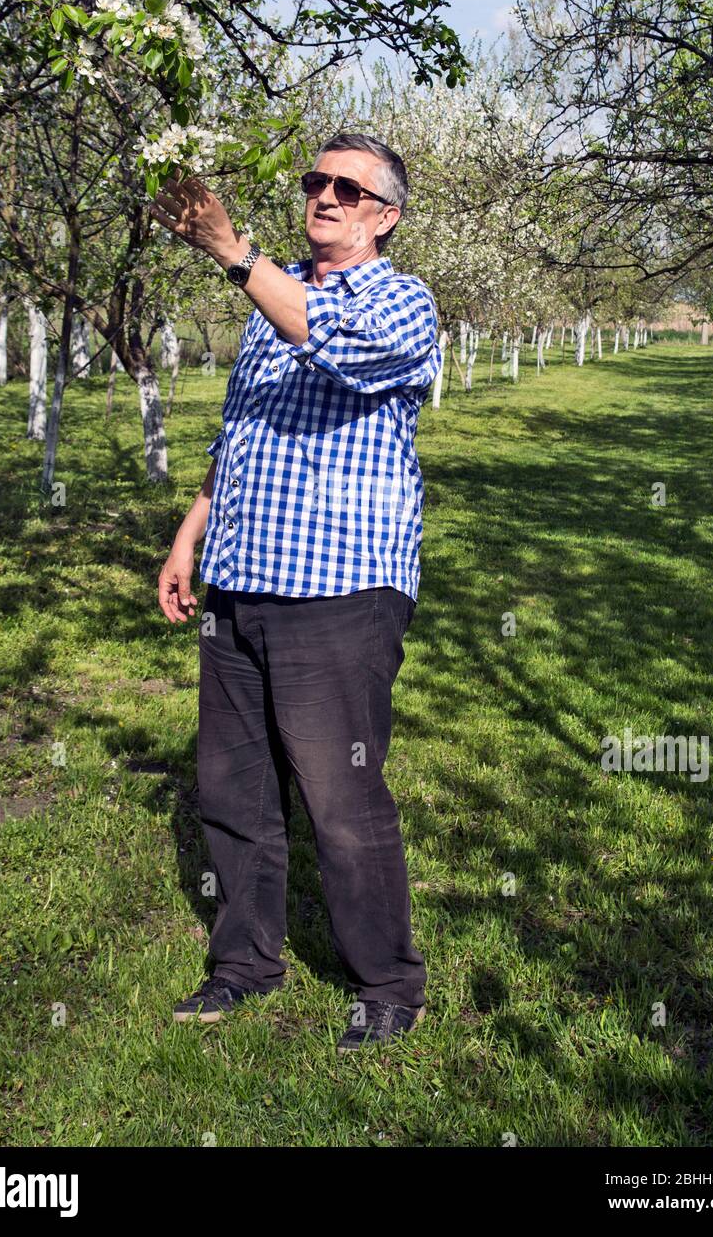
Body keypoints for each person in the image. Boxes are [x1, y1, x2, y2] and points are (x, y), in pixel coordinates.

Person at [152, 132, 442, 1052]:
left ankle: (388, 985)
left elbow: (339, 352)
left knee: (339, 796)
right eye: (316, 180)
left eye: (347, 188)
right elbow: (236, 433)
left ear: (383, 215)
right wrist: (188, 539)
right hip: (241, 576)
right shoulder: (271, 295)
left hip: (340, 587)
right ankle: (244, 963)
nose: (324, 195)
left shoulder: (402, 302)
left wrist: (237, 256)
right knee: (233, 790)